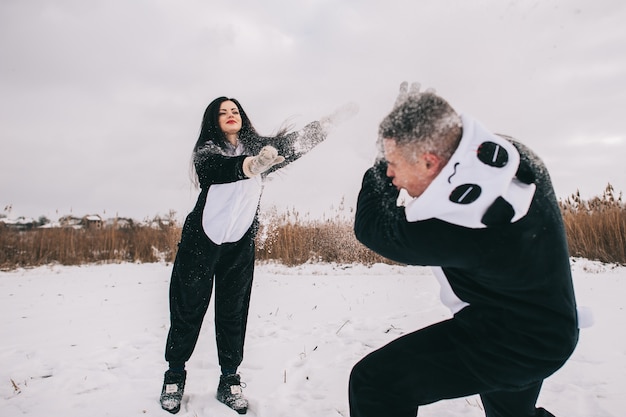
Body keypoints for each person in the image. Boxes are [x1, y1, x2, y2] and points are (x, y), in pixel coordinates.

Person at [351, 82, 580, 417]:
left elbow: (372, 226)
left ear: (430, 163)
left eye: (394, 164)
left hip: (512, 342)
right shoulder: (514, 155)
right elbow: (451, 137)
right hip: (546, 324)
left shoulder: (461, 228)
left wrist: (378, 159)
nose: (390, 174)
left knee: (375, 383)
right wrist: (407, 130)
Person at [160, 96, 357, 414]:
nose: (230, 115)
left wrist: (328, 123)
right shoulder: (207, 151)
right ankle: (174, 374)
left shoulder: (259, 145)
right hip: (201, 241)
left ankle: (229, 379)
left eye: (234, 110)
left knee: (233, 310)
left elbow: (293, 144)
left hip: (239, 242)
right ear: (213, 120)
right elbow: (217, 170)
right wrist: (251, 166)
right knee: (188, 308)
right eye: (223, 112)